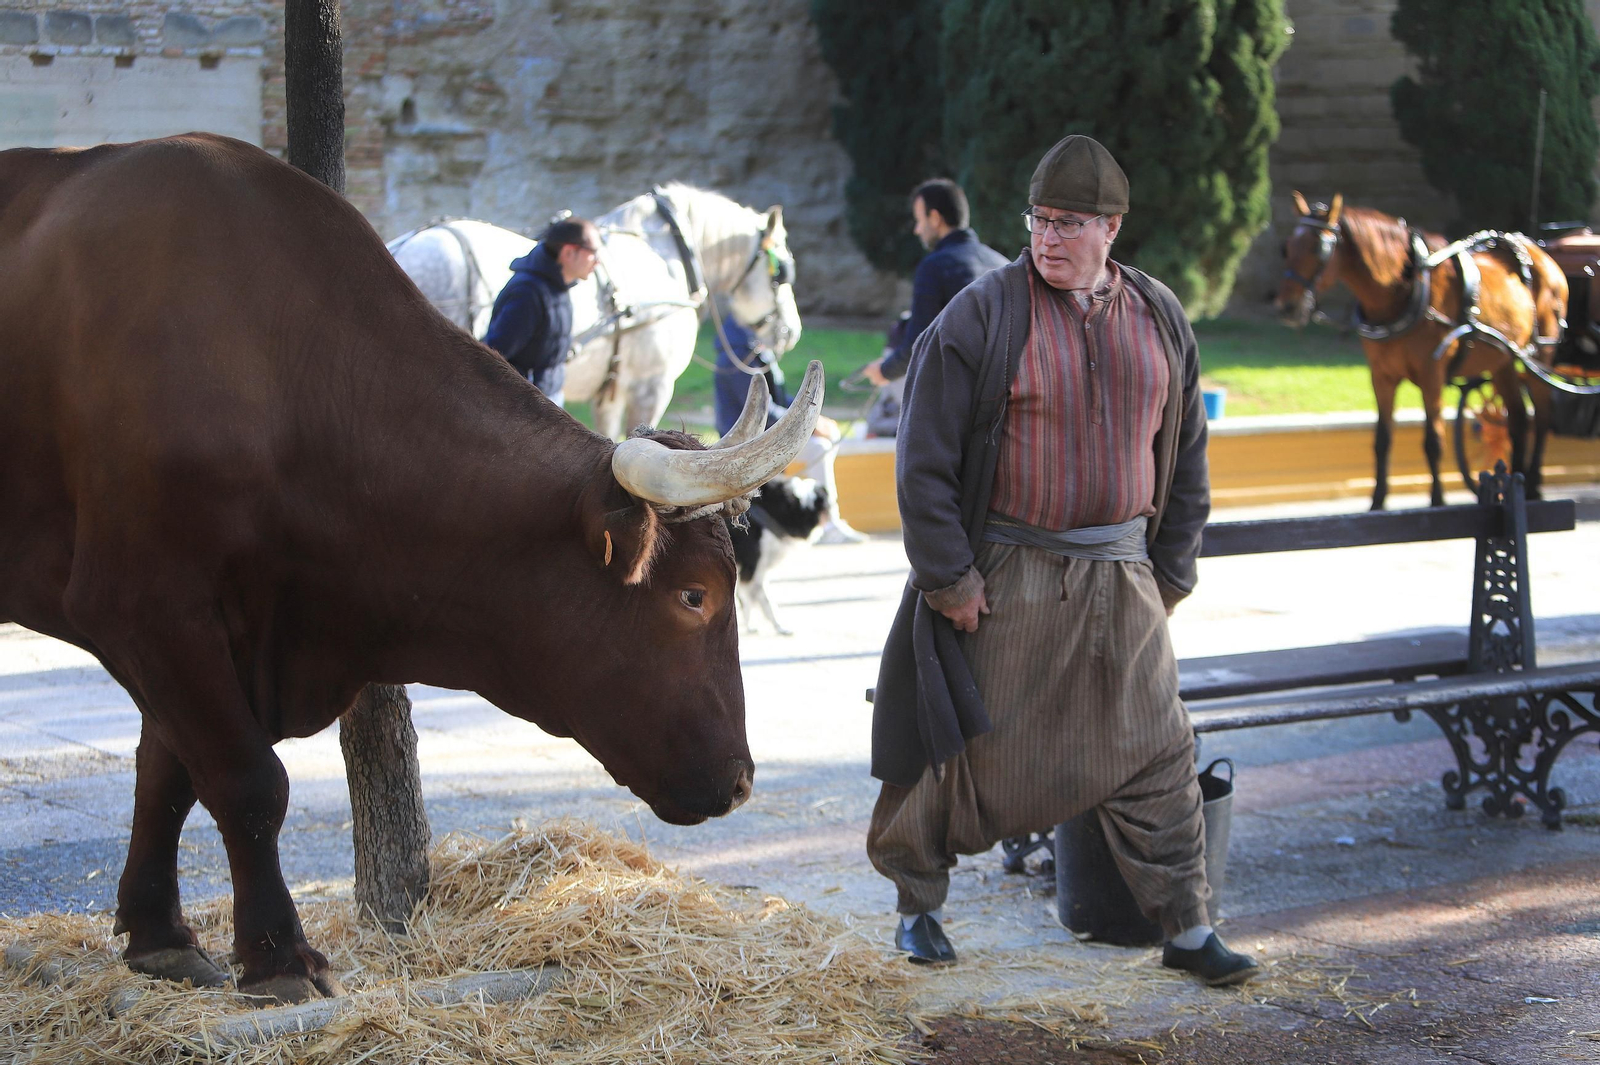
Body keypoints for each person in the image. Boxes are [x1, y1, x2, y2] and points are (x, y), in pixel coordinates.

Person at [865, 136, 1259, 987]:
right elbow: (922, 458)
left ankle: (1188, 924)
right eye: (1039, 221)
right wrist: (949, 577)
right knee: (962, 749)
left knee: (1159, 745)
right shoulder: (981, 315)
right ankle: (916, 906)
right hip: (1009, 576)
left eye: (1069, 223)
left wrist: (1174, 570)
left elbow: (1186, 454)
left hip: (1124, 574)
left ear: (1111, 227)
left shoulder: (1159, 316)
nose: (1048, 238)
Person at [713, 313, 866, 544]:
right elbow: (759, 411)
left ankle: (825, 520)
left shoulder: (752, 351)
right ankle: (829, 522)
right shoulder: (739, 359)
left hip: (763, 438)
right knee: (818, 448)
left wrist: (813, 417)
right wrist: (809, 425)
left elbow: (780, 398)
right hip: (746, 446)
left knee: (822, 443)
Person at [862, 178, 1009, 390]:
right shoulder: (1002, 264)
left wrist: (884, 370)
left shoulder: (935, 267)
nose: (917, 230)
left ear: (935, 218)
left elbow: (918, 344)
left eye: (919, 220)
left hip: (958, 396)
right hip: (1004, 390)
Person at [482, 216, 601, 405]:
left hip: (546, 400)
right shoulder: (528, 293)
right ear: (569, 252)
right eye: (594, 252)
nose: (598, 261)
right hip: (525, 407)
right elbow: (496, 353)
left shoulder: (558, 285)